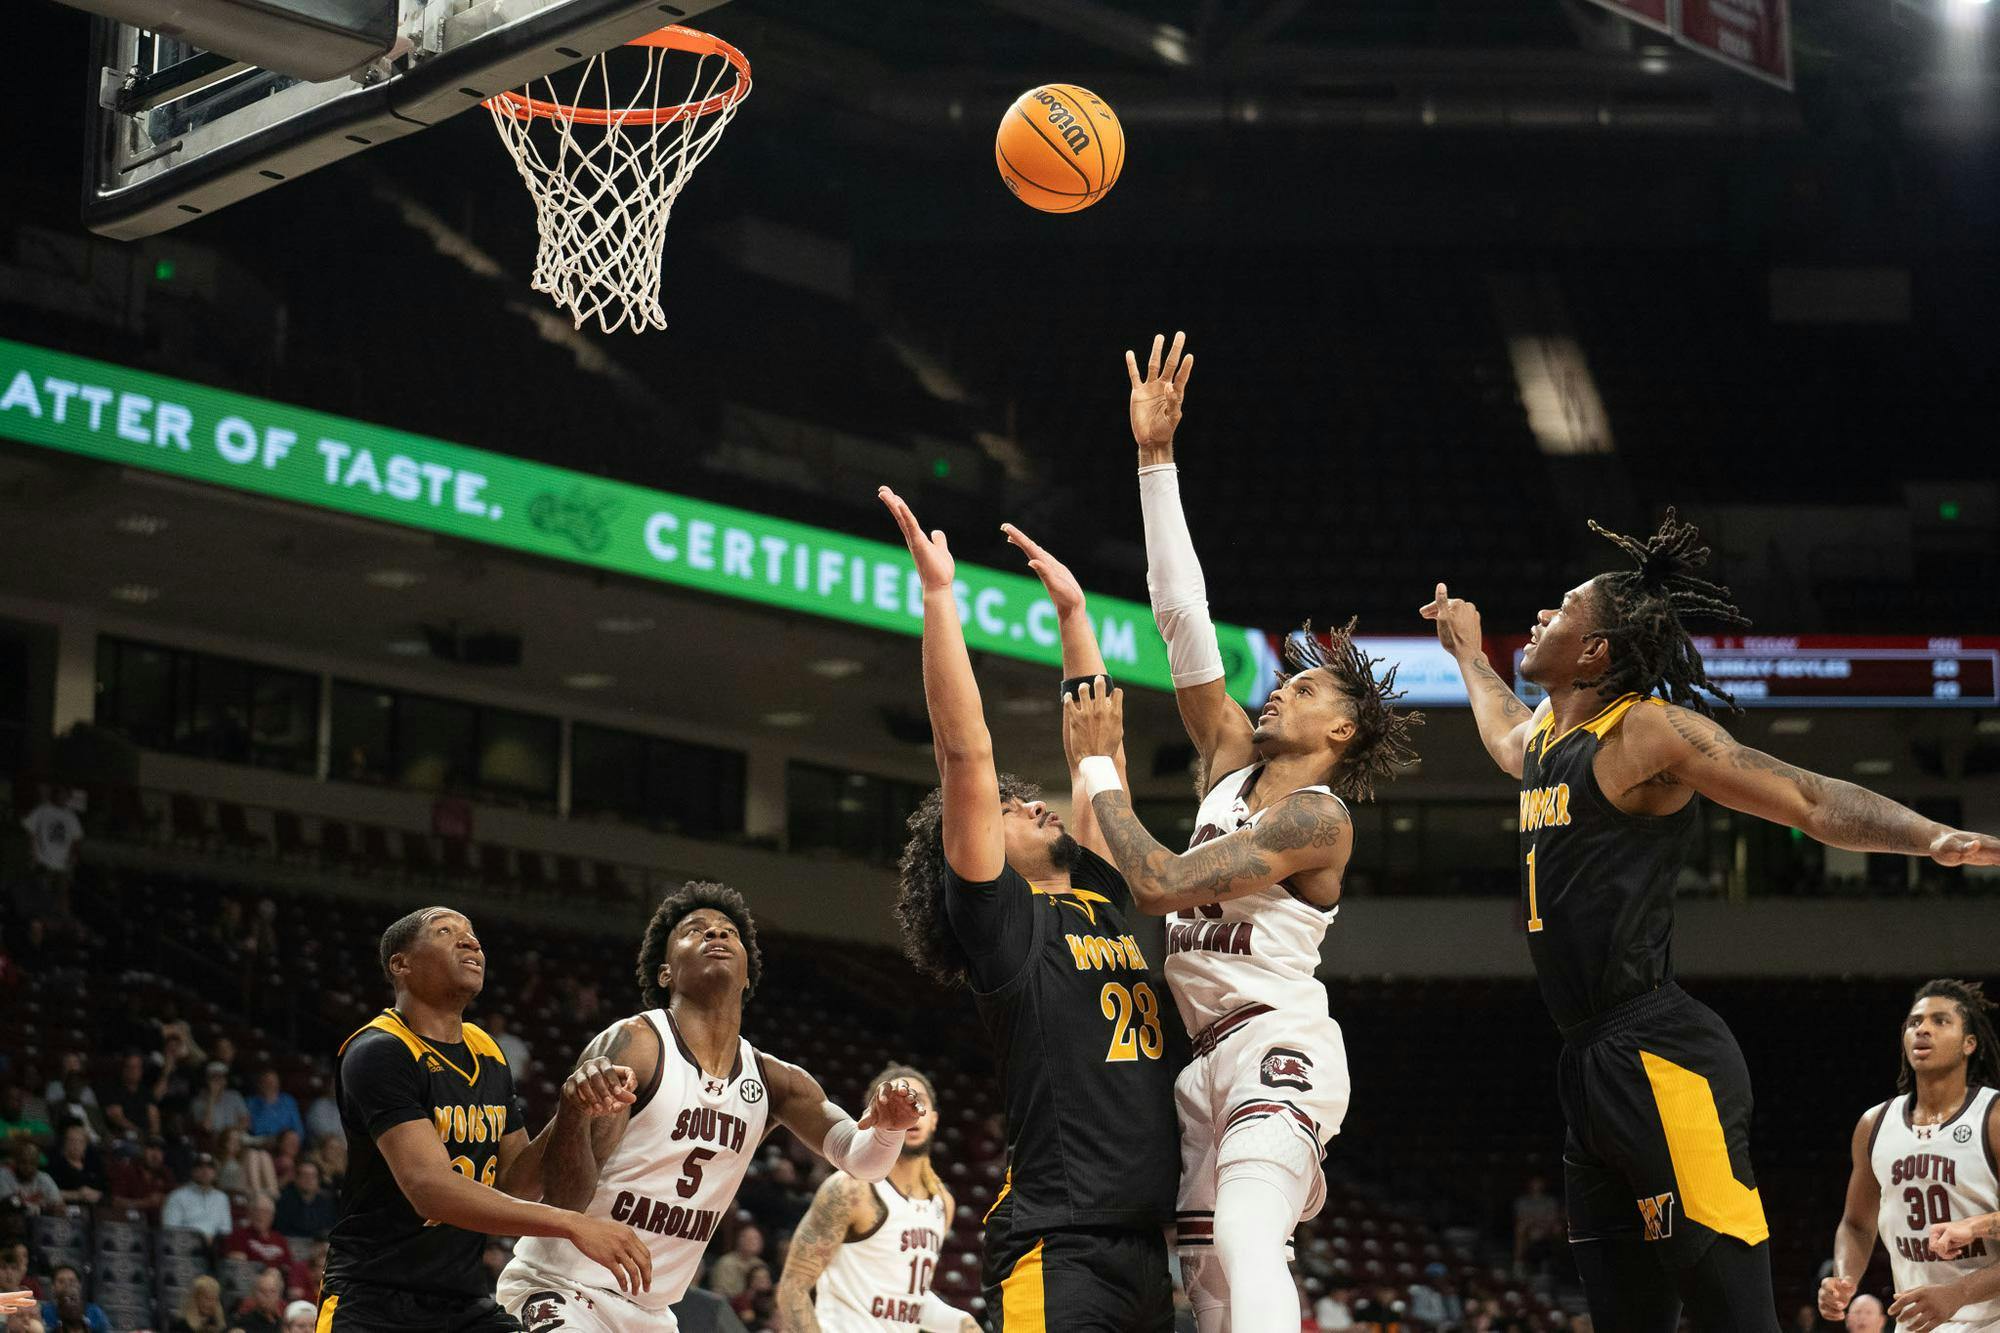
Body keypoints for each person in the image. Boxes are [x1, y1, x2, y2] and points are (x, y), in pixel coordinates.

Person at [1422, 510, 2000, 1332]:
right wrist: (1468, 655)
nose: (1544, 614)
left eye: (1563, 608)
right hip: (1589, 1062)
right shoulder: (1548, 736)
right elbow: (1501, 730)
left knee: (1736, 1316)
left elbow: (1806, 796)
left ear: (1596, 651)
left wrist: (1928, 836)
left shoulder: (1645, 729)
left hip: (1662, 1057)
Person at [1065, 333, 1420, 1333]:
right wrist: (1153, 460)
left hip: (1276, 1041)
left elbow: (1158, 883)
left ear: (1339, 730)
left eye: (1302, 687)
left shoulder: (1315, 815)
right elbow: (1181, 614)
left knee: (1244, 1239)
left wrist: (1099, 768)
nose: (1278, 688)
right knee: (1208, 1288)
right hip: (1201, 1055)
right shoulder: (1229, 755)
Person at [881, 484, 1181, 1331]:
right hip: (1060, 1244)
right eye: (1012, 808)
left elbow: (1099, 753)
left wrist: (1076, 617)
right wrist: (941, 597)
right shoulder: (1005, 930)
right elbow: (964, 753)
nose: (1035, 804)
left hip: (1142, 1249)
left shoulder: (1094, 895)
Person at [495, 880, 925, 1333]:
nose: (716, 935)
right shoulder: (637, 1045)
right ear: (665, 972)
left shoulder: (776, 1081)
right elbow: (565, 1204)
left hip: (652, 1314)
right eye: (695, 930)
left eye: (728, 932)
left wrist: (889, 1129)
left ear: (747, 974)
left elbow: (861, 1159)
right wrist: (576, 1110)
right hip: (562, 1289)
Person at [320, 906, 652, 1333]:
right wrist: (573, 1225)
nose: (470, 941)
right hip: (372, 1301)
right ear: (400, 965)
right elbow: (429, 1189)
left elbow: (517, 1183)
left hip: (462, 1302)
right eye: (445, 932)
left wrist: (572, 1107)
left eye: (472, 934)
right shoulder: (379, 1051)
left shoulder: (487, 1051)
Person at [1819, 979, 2000, 1333]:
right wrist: (1844, 1279)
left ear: (1969, 1044)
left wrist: (1959, 1292)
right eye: (1915, 1022)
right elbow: (1856, 1225)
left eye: (1940, 1021)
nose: (1923, 1029)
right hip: (1919, 1323)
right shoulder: (1874, 1125)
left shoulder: (1992, 1118)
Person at [776, 1064, 979, 1333]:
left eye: (918, 1102)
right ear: (874, 1117)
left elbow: (906, 1301)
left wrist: (960, 1322)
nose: (910, 1111)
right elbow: (793, 1288)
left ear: (934, 1119)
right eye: (895, 1105)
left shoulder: (942, 1202)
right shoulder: (851, 1189)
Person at [18, 786, 81, 923]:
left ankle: (63, 922)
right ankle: (43, 922)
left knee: (62, 894)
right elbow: (30, 830)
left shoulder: (70, 816)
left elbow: (76, 839)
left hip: (62, 864)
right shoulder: (43, 810)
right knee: (42, 893)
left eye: (66, 796)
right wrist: (33, 852)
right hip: (44, 861)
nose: (63, 798)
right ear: (55, 795)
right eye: (61, 795)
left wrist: (73, 857)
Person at [163, 1152, 234, 1239]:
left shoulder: (222, 1198)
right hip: (185, 1246)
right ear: (193, 1171)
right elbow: (170, 1230)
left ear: (215, 1173)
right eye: (200, 1166)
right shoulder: (177, 1196)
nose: (205, 1170)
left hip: (216, 1246)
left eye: (210, 1167)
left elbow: (226, 1230)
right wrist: (199, 1239)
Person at [108, 1134, 175, 1215]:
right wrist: (144, 1203)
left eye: (160, 1151)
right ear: (142, 1150)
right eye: (151, 1149)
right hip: (132, 1221)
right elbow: (115, 1202)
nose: (155, 1155)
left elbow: (176, 1199)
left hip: (161, 1223)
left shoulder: (166, 1172)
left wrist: (165, 1199)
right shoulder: (127, 1170)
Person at [226, 1193, 294, 1267]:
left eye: (265, 1212)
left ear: (272, 1217)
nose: (260, 1215)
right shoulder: (238, 1235)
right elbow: (237, 1264)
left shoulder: (279, 1239)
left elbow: (289, 1267)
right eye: (256, 1210)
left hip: (278, 1276)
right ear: (249, 1213)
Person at [43, 1126, 104, 1208]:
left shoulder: (93, 1163)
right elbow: (45, 1191)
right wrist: (76, 1195)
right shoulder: (54, 1163)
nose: (76, 1145)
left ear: (86, 1145)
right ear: (65, 1143)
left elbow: (105, 1189)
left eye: (80, 1142)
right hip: (65, 1207)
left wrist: (98, 1195)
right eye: (72, 1141)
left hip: (95, 1208)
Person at [276, 1159, 338, 1239]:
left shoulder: (327, 1202)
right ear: (296, 1179)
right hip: (293, 1242)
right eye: (304, 1175)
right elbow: (283, 1230)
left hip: (321, 1244)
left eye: (313, 1176)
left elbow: (331, 1227)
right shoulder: (284, 1200)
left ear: (318, 1180)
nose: (309, 1179)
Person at [192, 1062, 251, 1140]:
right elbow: (206, 1127)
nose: (218, 1081)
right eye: (214, 1078)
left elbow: (246, 1121)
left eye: (221, 1077)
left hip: (235, 1136)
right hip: (213, 1139)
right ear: (207, 1080)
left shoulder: (234, 1095)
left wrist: (231, 1134)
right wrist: (211, 1097)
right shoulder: (197, 1101)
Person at [708, 1226, 767, 1301]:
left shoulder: (760, 1264)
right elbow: (720, 1293)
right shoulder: (726, 1263)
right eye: (750, 1239)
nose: (754, 1242)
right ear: (740, 1240)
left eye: (757, 1239)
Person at [0, 1141, 60, 1214]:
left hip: (41, 1223)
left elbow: (59, 1206)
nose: (28, 1167)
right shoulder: (4, 1175)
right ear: (15, 1162)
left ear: (37, 1163)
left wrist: (55, 1208)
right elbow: (10, 1204)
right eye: (24, 1162)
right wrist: (43, 1209)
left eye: (32, 1163)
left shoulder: (44, 1178)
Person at [37, 1270, 105, 1333]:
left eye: (74, 1299)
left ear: (83, 1305)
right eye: (66, 1300)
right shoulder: (45, 1312)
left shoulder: (95, 1313)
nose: (67, 1284)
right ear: (59, 1310)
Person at [249, 1071, 305, 1145]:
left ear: (278, 1084)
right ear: (260, 1084)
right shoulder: (251, 1102)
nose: (270, 1085)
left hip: (285, 1143)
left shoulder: (288, 1101)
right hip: (261, 1143)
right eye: (267, 1082)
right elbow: (254, 1128)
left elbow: (298, 1128)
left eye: (273, 1082)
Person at [237, 1269, 287, 1333]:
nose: (268, 1295)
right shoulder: (244, 1324)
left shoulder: (283, 1322)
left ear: (279, 1295)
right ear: (254, 1295)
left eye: (272, 1291)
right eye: (263, 1291)